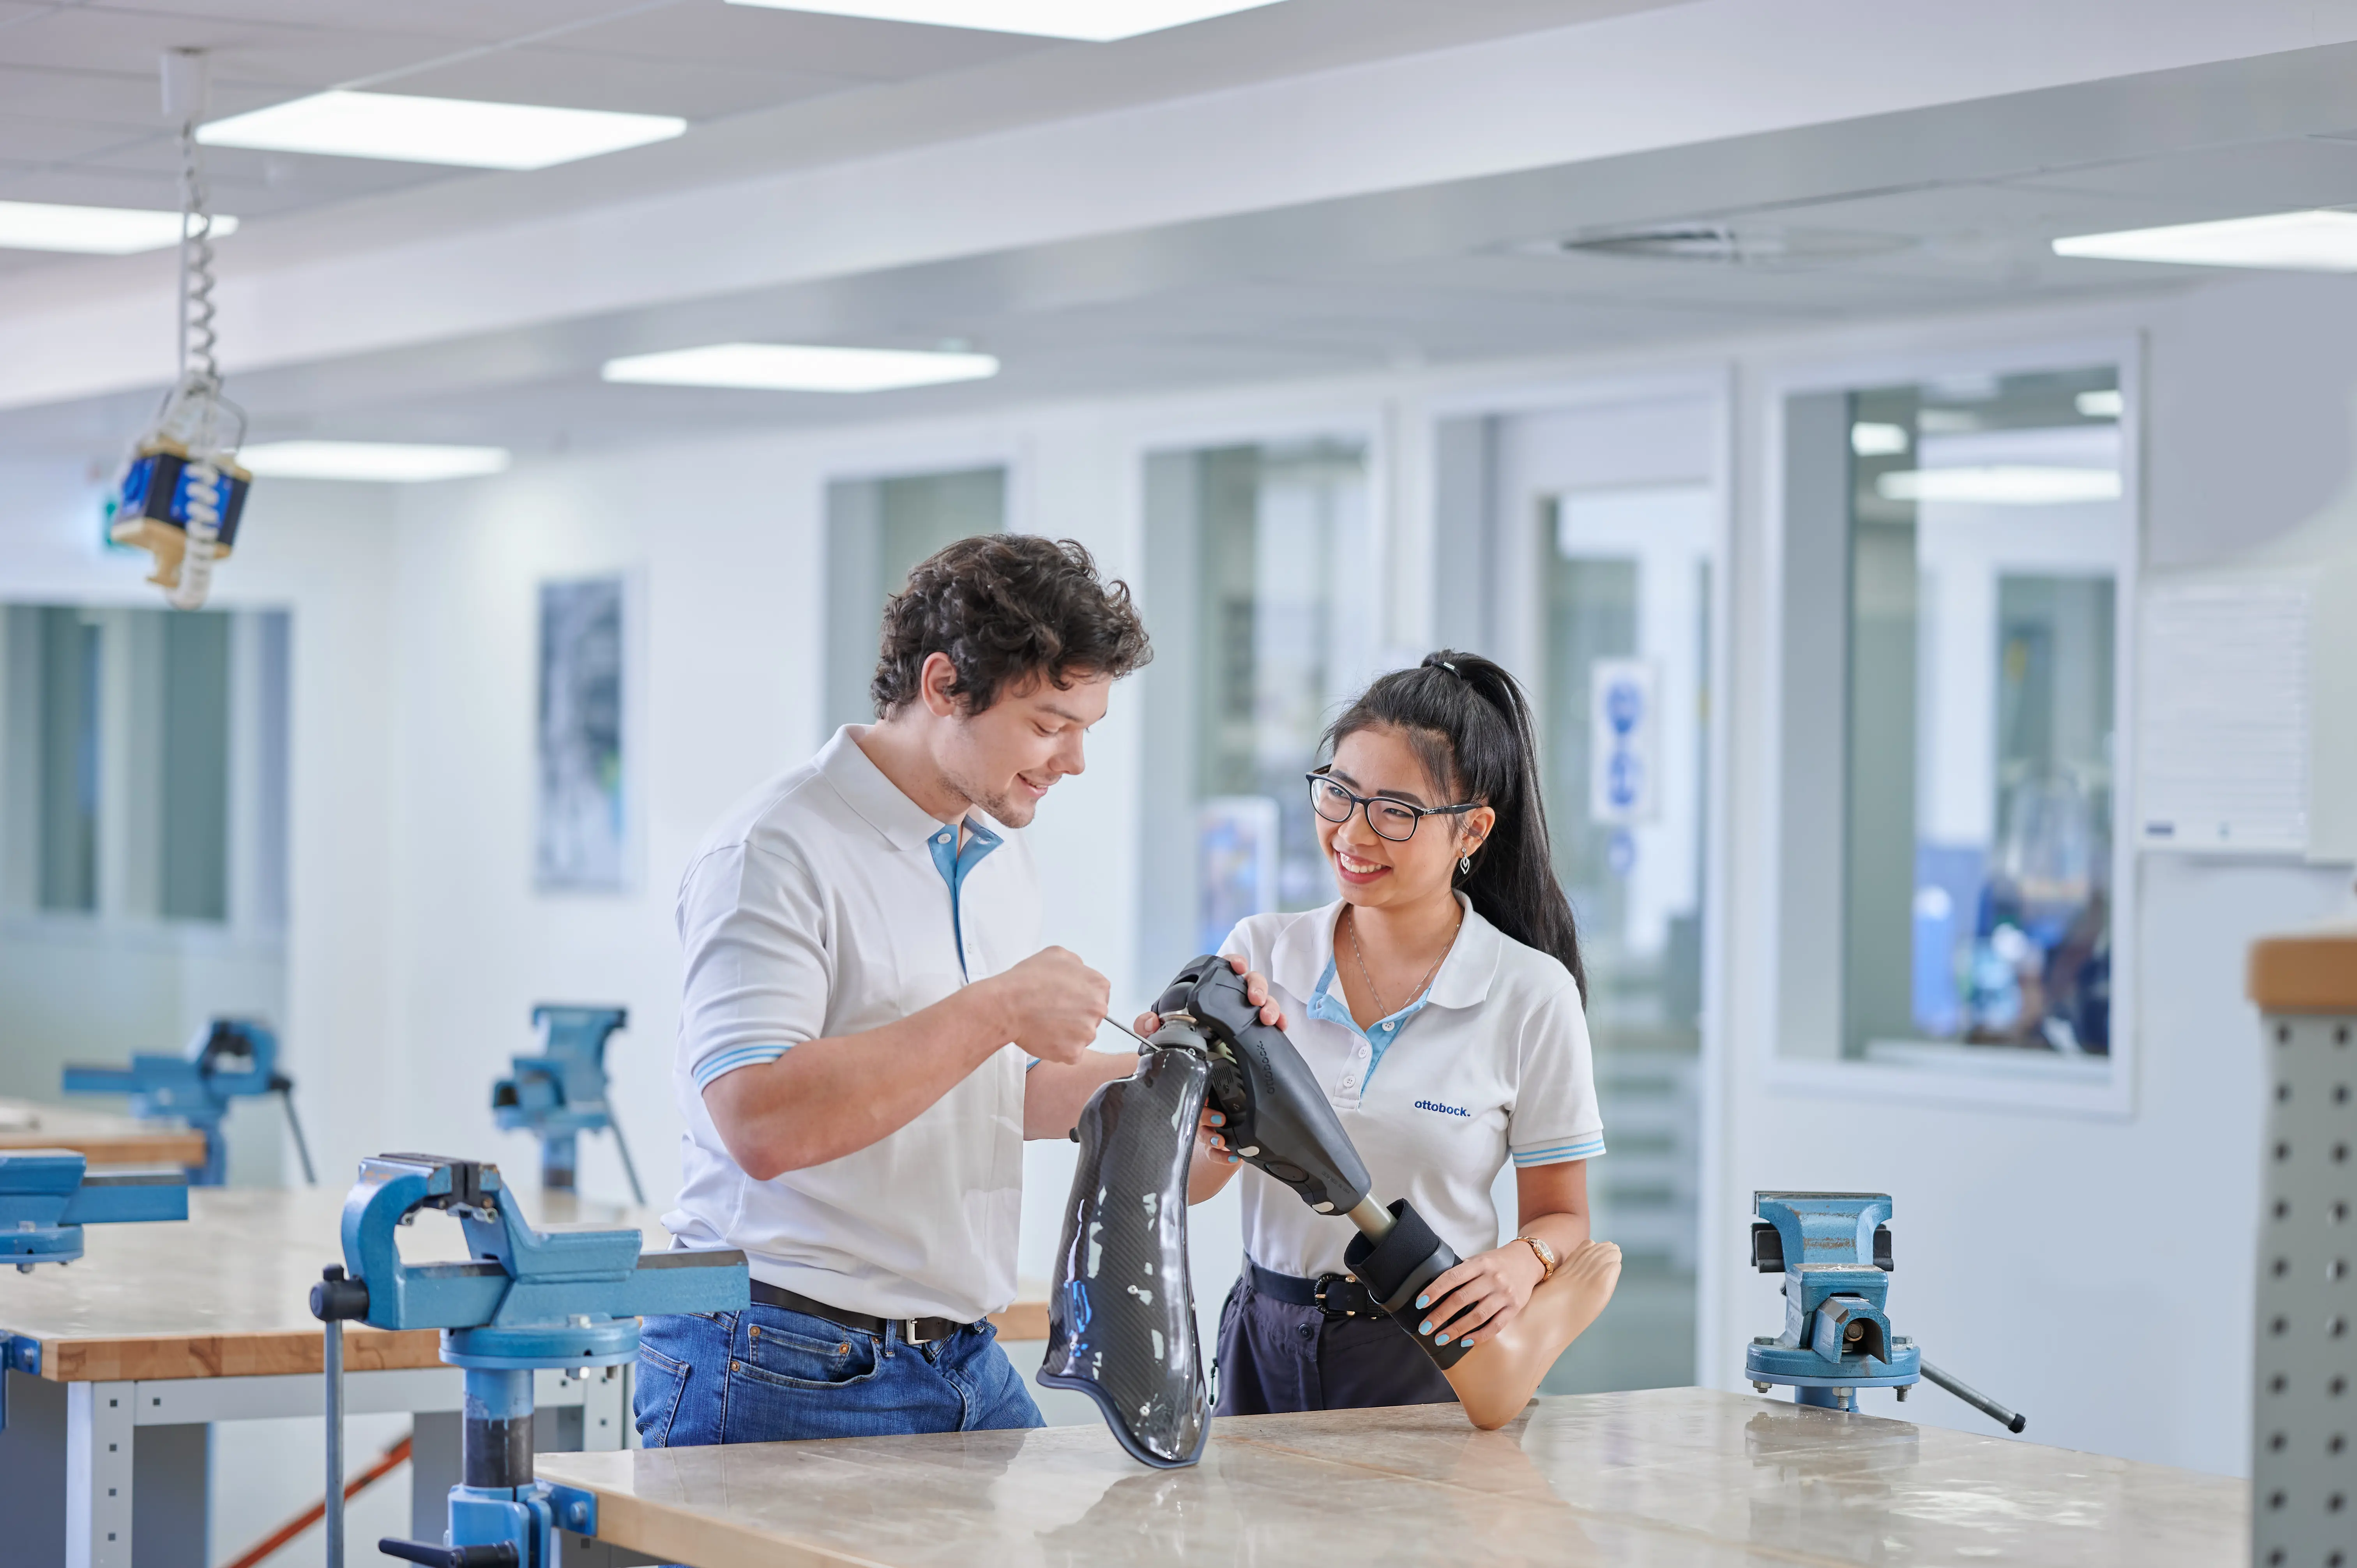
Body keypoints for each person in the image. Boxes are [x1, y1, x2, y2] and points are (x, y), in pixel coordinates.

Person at [635, 534, 1170, 1446]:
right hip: (781, 1355)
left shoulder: (997, 851)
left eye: (1087, 727)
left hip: (958, 1353)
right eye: (1050, 725)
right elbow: (760, 1121)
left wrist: (1173, 1080)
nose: (1075, 759)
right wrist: (1000, 1007)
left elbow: (980, 1091)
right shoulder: (773, 850)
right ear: (944, 685)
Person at [1141, 651, 1618, 1415]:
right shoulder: (1259, 954)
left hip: (1430, 1350)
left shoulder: (1532, 994)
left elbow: (1564, 1216)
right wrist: (1201, 1124)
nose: (1352, 833)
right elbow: (1191, 1184)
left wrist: (1522, 1263)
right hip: (1265, 1334)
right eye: (1338, 793)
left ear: (1472, 830)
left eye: (1396, 810)